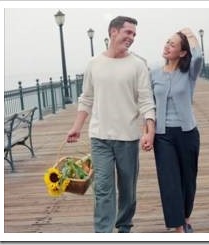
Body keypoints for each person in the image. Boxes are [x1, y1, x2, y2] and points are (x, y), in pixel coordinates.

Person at [66, 16, 155, 233]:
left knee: (127, 189)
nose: (131, 38)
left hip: (128, 136)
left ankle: (124, 226)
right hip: (100, 137)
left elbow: (146, 100)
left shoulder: (138, 65)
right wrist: (77, 126)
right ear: (113, 32)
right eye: (128, 32)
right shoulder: (94, 64)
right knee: (103, 188)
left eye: (134, 34)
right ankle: (103, 233)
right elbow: (86, 98)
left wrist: (149, 131)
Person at [142, 28, 202, 233]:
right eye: (167, 42)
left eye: (173, 44)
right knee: (169, 181)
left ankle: (185, 217)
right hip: (163, 135)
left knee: (188, 179)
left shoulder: (190, 72)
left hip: (187, 133)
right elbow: (148, 105)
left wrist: (190, 34)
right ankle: (178, 227)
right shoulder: (154, 74)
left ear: (183, 52)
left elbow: (199, 55)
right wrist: (148, 132)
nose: (167, 46)